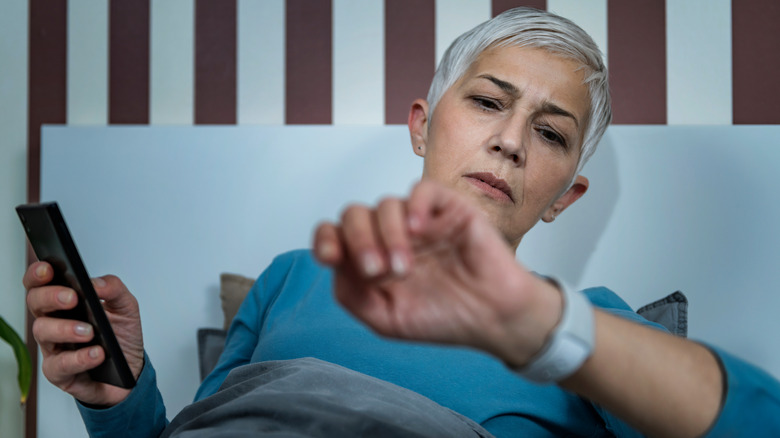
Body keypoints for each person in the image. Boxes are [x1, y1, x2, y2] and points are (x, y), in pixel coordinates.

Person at [24, 7, 780, 438]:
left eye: (550, 134)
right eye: (488, 101)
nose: (511, 141)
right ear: (421, 125)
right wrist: (119, 391)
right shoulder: (293, 276)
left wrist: (552, 328)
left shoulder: (596, 331)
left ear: (565, 197)